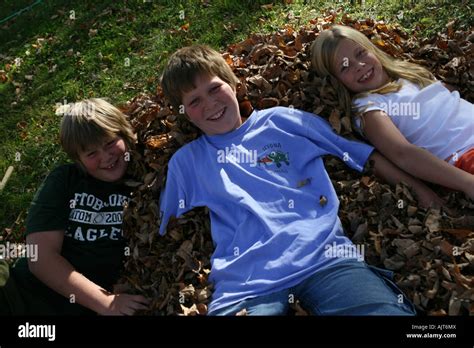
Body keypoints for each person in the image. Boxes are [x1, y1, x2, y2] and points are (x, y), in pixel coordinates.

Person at [158, 45, 443, 316]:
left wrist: (420, 191)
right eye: (194, 101)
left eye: (214, 88)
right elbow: (166, 226)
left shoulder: (285, 122)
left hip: (326, 261)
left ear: (233, 84)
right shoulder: (187, 163)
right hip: (246, 287)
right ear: (185, 115)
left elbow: (363, 157)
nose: (210, 104)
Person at [0, 98, 149, 315]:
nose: (106, 157)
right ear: (78, 159)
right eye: (91, 153)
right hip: (16, 296)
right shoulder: (65, 180)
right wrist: (106, 302)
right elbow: (39, 258)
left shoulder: (148, 178)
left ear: (124, 134)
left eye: (109, 143)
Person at [310, 25, 474, 199]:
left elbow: (451, 101)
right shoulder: (368, 106)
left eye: (360, 53)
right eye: (345, 67)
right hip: (464, 154)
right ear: (336, 82)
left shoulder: (407, 73)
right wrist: (467, 182)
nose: (359, 65)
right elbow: (402, 153)